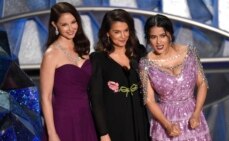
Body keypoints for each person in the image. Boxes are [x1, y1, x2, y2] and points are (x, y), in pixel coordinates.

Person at [139, 14, 212, 141]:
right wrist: (167, 125)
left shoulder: (190, 52)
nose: (158, 42)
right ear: (148, 38)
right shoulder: (145, 64)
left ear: (170, 35)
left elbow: (202, 83)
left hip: (193, 118)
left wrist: (196, 113)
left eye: (162, 36)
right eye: (153, 37)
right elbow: (149, 100)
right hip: (166, 122)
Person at [89, 9, 150, 141]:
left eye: (126, 30)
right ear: (107, 33)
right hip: (115, 125)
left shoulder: (139, 52)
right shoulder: (98, 59)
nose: (123, 36)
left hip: (140, 121)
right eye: (117, 32)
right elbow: (96, 100)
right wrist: (103, 133)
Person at [40, 2, 97, 141]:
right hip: (63, 120)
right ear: (55, 25)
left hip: (86, 117)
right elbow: (45, 97)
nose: (71, 28)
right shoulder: (51, 54)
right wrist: (52, 133)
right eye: (64, 25)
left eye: (73, 22)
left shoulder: (83, 49)